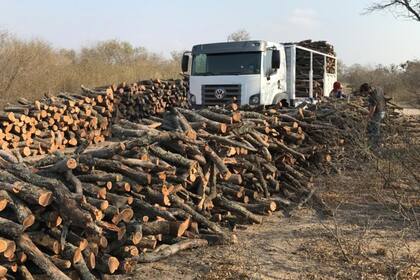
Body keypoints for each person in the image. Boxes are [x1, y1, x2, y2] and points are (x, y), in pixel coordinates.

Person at [359, 83, 386, 149]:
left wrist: (368, 117)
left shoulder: (372, 96)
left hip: (377, 113)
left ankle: (375, 146)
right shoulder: (378, 89)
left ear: (367, 90)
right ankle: (373, 143)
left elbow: (373, 109)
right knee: (375, 128)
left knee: (375, 129)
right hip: (383, 110)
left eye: (365, 92)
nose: (365, 94)